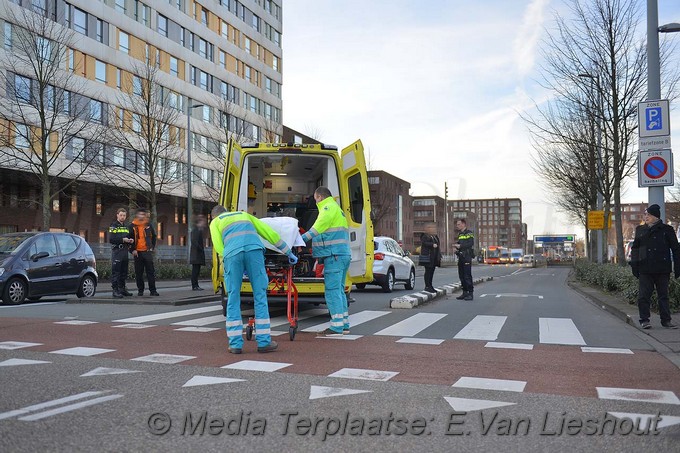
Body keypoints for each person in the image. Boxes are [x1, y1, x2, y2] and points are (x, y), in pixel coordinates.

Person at [210, 205, 297, 354]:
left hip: (232, 254)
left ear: (214, 216)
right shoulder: (244, 215)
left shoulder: (215, 222)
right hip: (254, 251)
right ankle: (264, 342)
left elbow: (219, 247)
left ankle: (235, 344)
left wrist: (232, 259)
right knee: (260, 295)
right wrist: (288, 252)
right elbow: (269, 232)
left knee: (233, 297)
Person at [301, 186, 352, 336]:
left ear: (320, 197)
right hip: (341, 255)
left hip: (334, 256)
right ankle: (344, 324)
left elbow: (316, 229)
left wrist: (299, 240)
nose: (315, 201)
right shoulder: (337, 209)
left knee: (332, 291)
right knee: (339, 291)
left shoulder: (327, 208)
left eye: (315, 198)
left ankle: (336, 326)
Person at [630, 204, 680, 329]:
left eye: (649, 215)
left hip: (662, 268)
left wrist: (678, 266)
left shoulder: (667, 230)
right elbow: (635, 248)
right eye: (645, 214)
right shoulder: (640, 230)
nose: (646, 217)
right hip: (645, 268)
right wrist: (634, 265)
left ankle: (666, 320)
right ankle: (644, 320)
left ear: (656, 216)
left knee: (663, 295)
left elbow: (675, 248)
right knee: (643, 296)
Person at [131, 208, 159, 297]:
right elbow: (129, 239)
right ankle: (140, 290)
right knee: (139, 273)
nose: (142, 216)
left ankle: (153, 291)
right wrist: (132, 250)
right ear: (137, 215)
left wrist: (152, 247)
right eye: (140, 214)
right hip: (137, 253)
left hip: (147, 252)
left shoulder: (149, 225)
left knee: (150, 272)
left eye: (143, 214)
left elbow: (154, 236)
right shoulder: (132, 226)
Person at [108, 208, 134, 298]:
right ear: (117, 215)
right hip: (117, 251)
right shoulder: (114, 225)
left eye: (124, 215)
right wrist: (123, 240)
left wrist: (130, 241)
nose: (122, 217)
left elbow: (128, 237)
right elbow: (111, 239)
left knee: (124, 271)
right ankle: (115, 291)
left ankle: (122, 289)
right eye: (121, 215)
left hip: (125, 251)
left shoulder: (126, 227)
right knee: (116, 272)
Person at [452, 218, 475, 301]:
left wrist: (460, 246)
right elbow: (460, 243)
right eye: (457, 224)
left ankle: (470, 293)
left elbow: (470, 243)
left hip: (467, 256)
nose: (457, 226)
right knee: (461, 275)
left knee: (467, 275)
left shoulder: (469, 233)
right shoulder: (460, 234)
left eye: (459, 224)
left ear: (463, 224)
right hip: (461, 257)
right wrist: (456, 247)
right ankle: (464, 292)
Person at [419, 223, 441, 293]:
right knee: (428, 271)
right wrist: (432, 244)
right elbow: (424, 243)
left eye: (433, 228)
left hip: (434, 257)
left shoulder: (435, 236)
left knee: (432, 271)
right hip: (428, 257)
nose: (433, 229)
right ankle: (427, 286)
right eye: (430, 228)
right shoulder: (424, 236)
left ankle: (430, 285)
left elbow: (438, 244)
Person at [190, 215, 207, 291]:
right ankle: (195, 286)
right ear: (200, 221)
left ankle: (196, 285)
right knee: (195, 270)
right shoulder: (196, 230)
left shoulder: (197, 230)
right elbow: (195, 242)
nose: (204, 223)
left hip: (196, 254)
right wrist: (201, 250)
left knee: (196, 270)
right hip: (196, 254)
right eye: (203, 221)